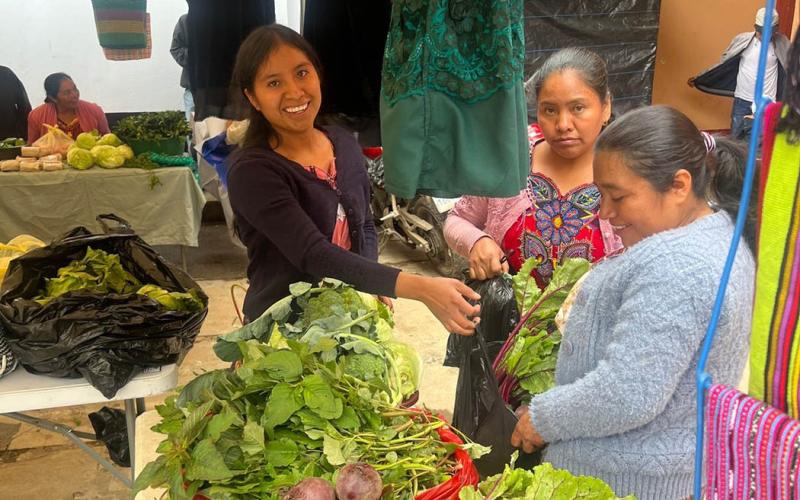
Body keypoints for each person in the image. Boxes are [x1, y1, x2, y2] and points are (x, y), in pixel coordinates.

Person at [511, 106, 756, 499]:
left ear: (678, 185)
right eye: (600, 195)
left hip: (626, 484)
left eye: (618, 197)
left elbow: (627, 393)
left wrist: (543, 418)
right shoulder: (714, 236)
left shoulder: (679, 266)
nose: (605, 213)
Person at [226, 24, 480, 335]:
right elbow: (314, 254)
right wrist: (421, 288)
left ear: (318, 74)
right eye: (274, 82)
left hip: (351, 321)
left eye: (302, 73)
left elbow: (366, 224)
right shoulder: (251, 172)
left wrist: (372, 282)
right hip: (283, 334)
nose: (294, 91)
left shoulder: (343, 143)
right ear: (253, 97)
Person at [444, 48, 621, 289]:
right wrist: (477, 241)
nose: (563, 124)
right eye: (550, 110)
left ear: (606, 107)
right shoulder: (512, 159)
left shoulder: (629, 173)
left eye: (578, 108)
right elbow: (457, 220)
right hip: (509, 324)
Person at [689, 7, 790, 141]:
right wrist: (700, 78)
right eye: (760, 32)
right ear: (755, 27)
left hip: (766, 102)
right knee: (736, 139)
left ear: (776, 29)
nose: (763, 36)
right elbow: (723, 64)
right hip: (742, 100)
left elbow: (792, 68)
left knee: (759, 142)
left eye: (768, 32)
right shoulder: (742, 40)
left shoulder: (782, 43)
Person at [27, 73, 109, 143]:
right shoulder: (36, 116)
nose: (74, 95)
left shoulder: (94, 110)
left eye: (75, 89)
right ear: (53, 98)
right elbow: (32, 147)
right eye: (67, 93)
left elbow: (107, 140)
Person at [170, 13, 194, 122]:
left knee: (220, 133)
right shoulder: (185, 20)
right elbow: (175, 49)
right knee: (192, 132)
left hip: (223, 90)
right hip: (193, 89)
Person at [0, 66, 31, 140]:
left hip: (10, 138)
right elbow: (24, 106)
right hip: (11, 138)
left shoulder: (6, 74)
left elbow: (24, 107)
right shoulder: (5, 73)